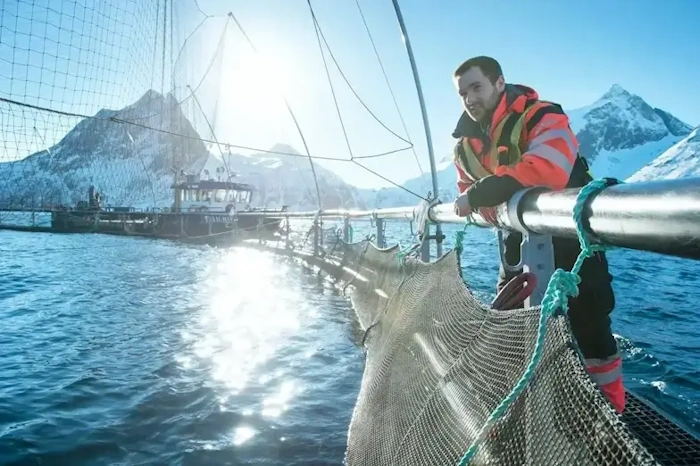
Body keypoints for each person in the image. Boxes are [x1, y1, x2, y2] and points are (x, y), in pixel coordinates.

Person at [451, 56, 625, 414]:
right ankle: (525, 412)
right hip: (514, 243)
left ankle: (609, 420)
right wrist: (486, 198)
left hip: (573, 239)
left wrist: (485, 195)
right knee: (512, 327)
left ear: (500, 83)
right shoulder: (464, 147)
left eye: (476, 87)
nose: (469, 98)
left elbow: (549, 168)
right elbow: (466, 190)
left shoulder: (543, 116)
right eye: (462, 92)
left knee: (590, 327)